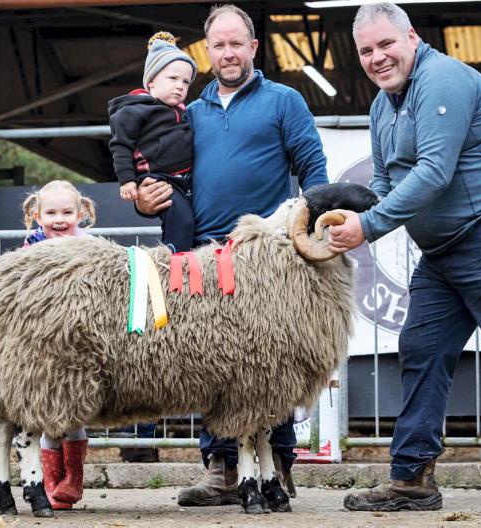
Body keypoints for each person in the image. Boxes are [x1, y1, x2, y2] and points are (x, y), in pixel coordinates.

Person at [328, 2, 481, 516]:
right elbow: (386, 183)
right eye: (366, 51)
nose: (377, 57)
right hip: (445, 248)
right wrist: (342, 208)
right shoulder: (381, 106)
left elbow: (434, 172)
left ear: (411, 37)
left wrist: (367, 227)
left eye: (385, 44)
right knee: (421, 347)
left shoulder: (443, 80)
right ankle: (412, 479)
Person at [135, 4, 328, 506]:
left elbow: (314, 170)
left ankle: (277, 467)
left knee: (272, 362)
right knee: (212, 362)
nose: (227, 53)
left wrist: (313, 230)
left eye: (236, 43)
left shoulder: (284, 101)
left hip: (268, 258)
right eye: (218, 45)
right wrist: (140, 196)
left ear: (253, 47)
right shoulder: (188, 113)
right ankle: (220, 468)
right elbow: (157, 175)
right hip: (204, 256)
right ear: (208, 51)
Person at [21, 180, 96, 510]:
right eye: (51, 213)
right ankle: (52, 483)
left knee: (75, 411)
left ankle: (73, 479)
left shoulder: (91, 248)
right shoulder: (29, 249)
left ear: (81, 214)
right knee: (50, 412)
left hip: (80, 341)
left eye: (67, 212)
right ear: (38, 216)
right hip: (45, 344)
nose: (60, 219)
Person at [108, 31, 197, 253]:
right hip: (160, 180)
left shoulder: (185, 112)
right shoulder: (134, 110)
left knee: (187, 222)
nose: (180, 86)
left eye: (186, 82)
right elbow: (120, 145)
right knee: (182, 223)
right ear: (151, 82)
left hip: (186, 179)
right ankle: (175, 265)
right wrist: (127, 180)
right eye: (173, 78)